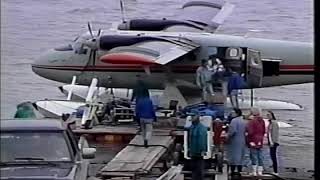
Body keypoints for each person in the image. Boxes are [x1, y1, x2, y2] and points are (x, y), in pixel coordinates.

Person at [246, 108, 266, 176]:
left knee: (253, 156)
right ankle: (260, 171)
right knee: (260, 156)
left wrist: (247, 136)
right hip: (260, 140)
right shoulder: (262, 121)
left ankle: (254, 171)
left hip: (253, 140)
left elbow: (250, 132)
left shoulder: (252, 121)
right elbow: (264, 131)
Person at [227, 108, 247, 175]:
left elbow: (232, 131)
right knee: (241, 156)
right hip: (242, 140)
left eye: (233, 113)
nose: (231, 114)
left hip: (235, 140)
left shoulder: (234, 121)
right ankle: (239, 170)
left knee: (233, 156)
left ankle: (232, 171)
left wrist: (227, 136)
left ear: (236, 113)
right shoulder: (243, 121)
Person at [188, 115, 208, 180]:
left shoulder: (201, 129)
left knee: (199, 169)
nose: (191, 120)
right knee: (193, 168)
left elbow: (202, 141)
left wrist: (203, 150)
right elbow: (189, 139)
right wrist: (189, 149)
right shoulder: (192, 127)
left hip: (199, 152)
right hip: (193, 152)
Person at [267, 111, 280, 175]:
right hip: (272, 142)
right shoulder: (271, 123)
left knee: (273, 156)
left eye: (269, 115)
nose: (268, 116)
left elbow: (274, 134)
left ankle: (275, 171)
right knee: (272, 156)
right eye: (267, 115)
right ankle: (275, 170)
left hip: (273, 142)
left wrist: (272, 142)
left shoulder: (274, 123)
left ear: (272, 115)